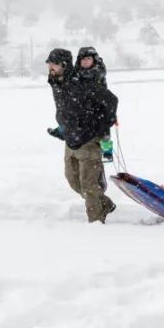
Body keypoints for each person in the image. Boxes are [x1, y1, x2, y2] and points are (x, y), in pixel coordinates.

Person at [45, 48, 119, 223]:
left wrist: (100, 127)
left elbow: (111, 101)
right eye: (48, 63)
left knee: (89, 185)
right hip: (71, 140)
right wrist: (62, 128)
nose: (50, 67)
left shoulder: (82, 83)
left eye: (53, 63)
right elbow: (66, 110)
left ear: (63, 65)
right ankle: (105, 204)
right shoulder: (56, 82)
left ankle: (96, 223)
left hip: (89, 140)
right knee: (73, 180)